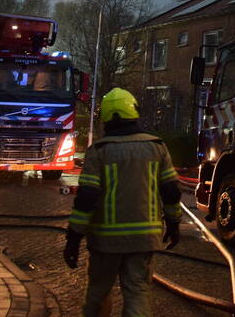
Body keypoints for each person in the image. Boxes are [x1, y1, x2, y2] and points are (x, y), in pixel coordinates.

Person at [64, 88, 182, 316]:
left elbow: (87, 198)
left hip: (105, 241)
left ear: (106, 118)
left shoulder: (99, 151)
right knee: (137, 292)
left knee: (98, 293)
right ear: (134, 113)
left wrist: (74, 237)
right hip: (143, 239)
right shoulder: (157, 147)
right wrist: (174, 222)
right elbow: (171, 191)